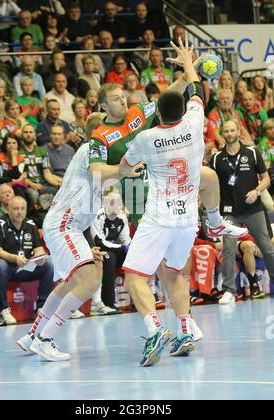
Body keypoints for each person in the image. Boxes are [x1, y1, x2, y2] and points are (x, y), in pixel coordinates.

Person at [17, 114, 143, 361]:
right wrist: (128, 168)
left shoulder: (100, 156)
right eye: (112, 128)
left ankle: (33, 335)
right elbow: (104, 175)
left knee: (70, 283)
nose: (118, 132)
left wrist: (87, 245)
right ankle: (46, 339)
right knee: (88, 280)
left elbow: (88, 204)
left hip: (68, 226)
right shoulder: (91, 149)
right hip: (65, 226)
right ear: (99, 130)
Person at [118, 37, 205, 366]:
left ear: (158, 115)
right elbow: (196, 94)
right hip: (187, 220)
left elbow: (125, 168)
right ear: (183, 110)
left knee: (135, 276)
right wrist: (190, 69)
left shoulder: (146, 137)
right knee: (173, 275)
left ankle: (154, 330)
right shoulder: (195, 124)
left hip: (158, 217)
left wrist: (131, 167)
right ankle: (184, 330)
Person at [210, 119, 274, 304]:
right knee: (229, 249)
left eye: (232, 130)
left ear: (239, 132)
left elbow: (265, 179)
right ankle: (229, 291)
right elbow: (211, 184)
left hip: (253, 209)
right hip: (229, 211)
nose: (229, 134)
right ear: (223, 134)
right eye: (226, 131)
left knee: (266, 247)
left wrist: (257, 191)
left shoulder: (252, 153)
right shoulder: (216, 158)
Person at [0, 196, 54, 325]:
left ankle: (41, 307)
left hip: (25, 267)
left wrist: (39, 258)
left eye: (22, 208)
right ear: (8, 210)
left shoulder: (30, 224)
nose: (19, 212)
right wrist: (14, 258)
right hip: (7, 268)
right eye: (15, 209)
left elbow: (38, 248)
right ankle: (3, 309)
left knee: (48, 265)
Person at [91, 188, 131, 311]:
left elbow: (126, 239)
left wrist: (132, 249)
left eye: (119, 202)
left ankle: (141, 299)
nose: (117, 206)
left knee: (135, 258)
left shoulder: (121, 217)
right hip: (98, 250)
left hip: (115, 249)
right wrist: (121, 248)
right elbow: (99, 241)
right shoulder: (98, 215)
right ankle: (108, 303)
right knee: (109, 257)